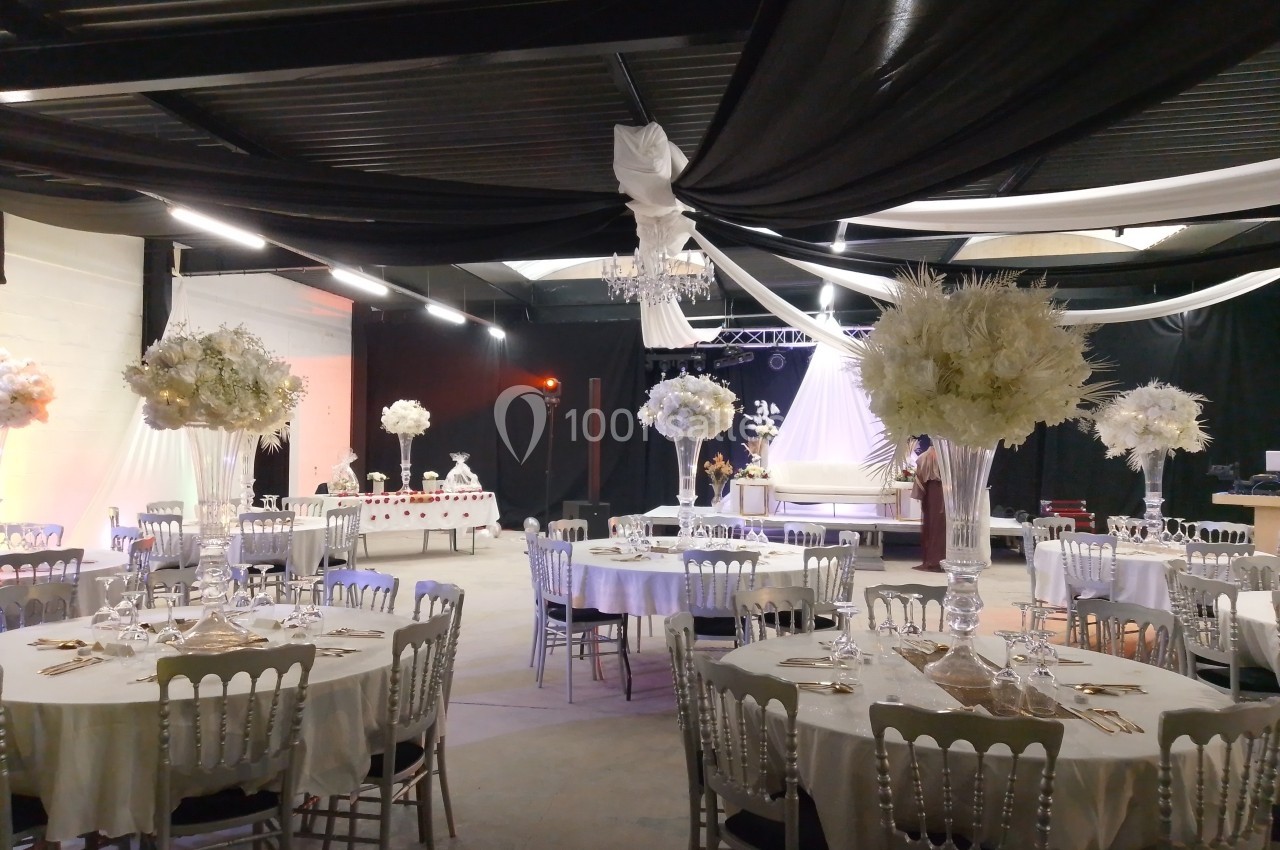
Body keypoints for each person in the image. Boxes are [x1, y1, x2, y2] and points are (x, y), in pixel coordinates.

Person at [911, 435, 945, 572]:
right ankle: (938, 559)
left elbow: (921, 477)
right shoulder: (935, 456)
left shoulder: (928, 456)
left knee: (936, 526)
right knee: (938, 526)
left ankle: (935, 560)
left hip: (936, 494)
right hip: (940, 494)